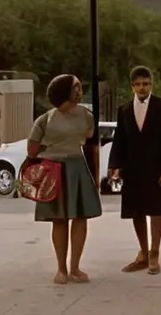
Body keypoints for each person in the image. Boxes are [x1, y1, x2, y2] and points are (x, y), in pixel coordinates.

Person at [28, 74, 102, 285]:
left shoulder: (87, 116)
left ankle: (75, 268)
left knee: (80, 217)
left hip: (78, 167)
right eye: (74, 87)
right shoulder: (45, 119)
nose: (79, 91)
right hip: (54, 170)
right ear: (63, 91)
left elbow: (92, 146)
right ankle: (61, 269)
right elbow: (31, 150)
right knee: (59, 219)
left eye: (79, 86)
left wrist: (95, 177)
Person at [108, 66, 161, 275]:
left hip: (157, 168)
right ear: (132, 86)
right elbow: (119, 140)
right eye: (138, 84)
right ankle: (143, 253)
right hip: (133, 169)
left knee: (157, 210)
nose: (142, 88)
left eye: (145, 84)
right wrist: (114, 167)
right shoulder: (124, 110)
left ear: (151, 84)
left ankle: (155, 253)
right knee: (136, 211)